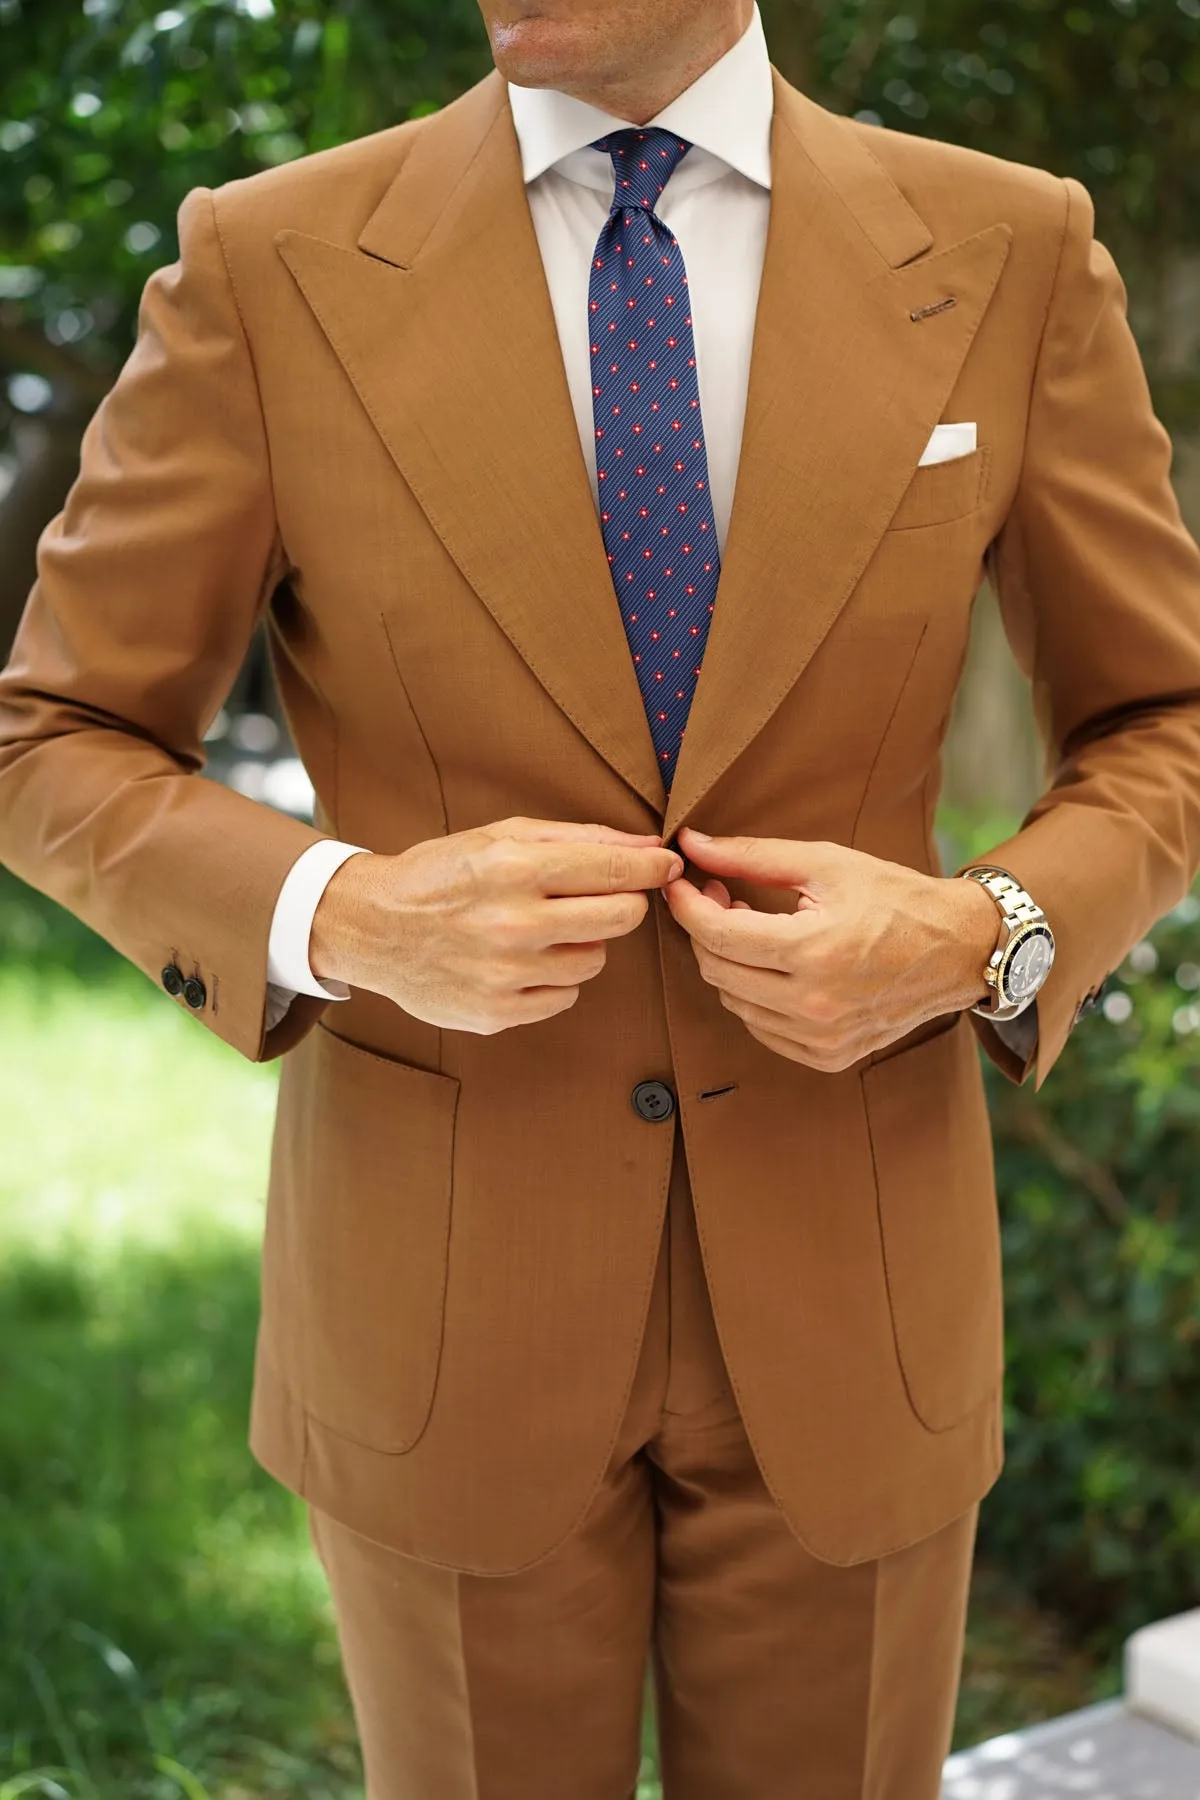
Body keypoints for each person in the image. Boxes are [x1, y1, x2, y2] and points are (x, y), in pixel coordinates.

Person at [3, 0, 1200, 1792]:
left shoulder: (1011, 247)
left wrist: (984, 935)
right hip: (441, 1302)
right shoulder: (270, 262)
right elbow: (55, 734)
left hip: (855, 1279)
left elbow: (1162, 716)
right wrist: (345, 913)